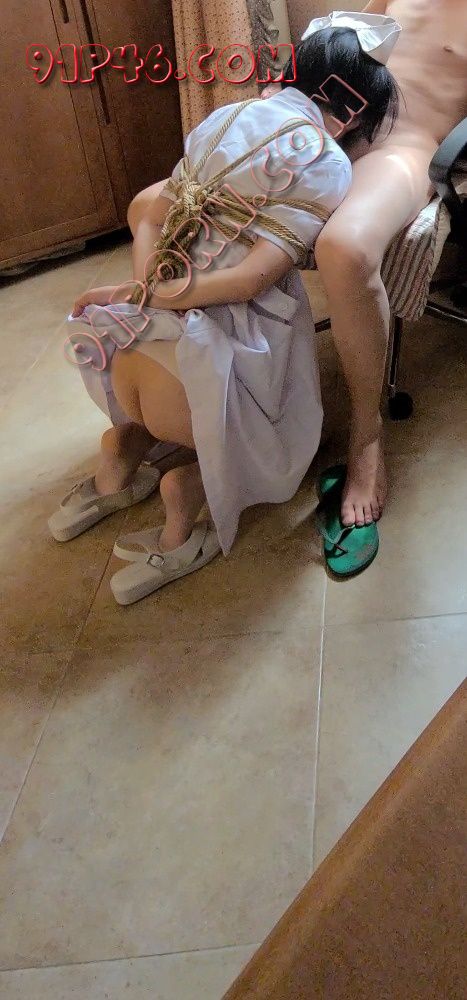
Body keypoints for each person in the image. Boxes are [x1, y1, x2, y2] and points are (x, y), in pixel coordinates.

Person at [48, 19, 400, 603]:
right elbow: (249, 280)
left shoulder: (227, 116)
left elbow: (148, 212)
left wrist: (144, 291)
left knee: (146, 404)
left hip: (128, 359)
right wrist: (162, 298)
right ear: (353, 114)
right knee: (284, 429)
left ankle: (120, 454)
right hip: (193, 378)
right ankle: (184, 501)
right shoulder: (324, 163)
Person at [310, 1, 467, 529]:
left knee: (345, 248)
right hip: (329, 125)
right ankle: (161, 418)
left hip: (402, 147)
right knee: (155, 206)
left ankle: (367, 436)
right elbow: (347, 37)